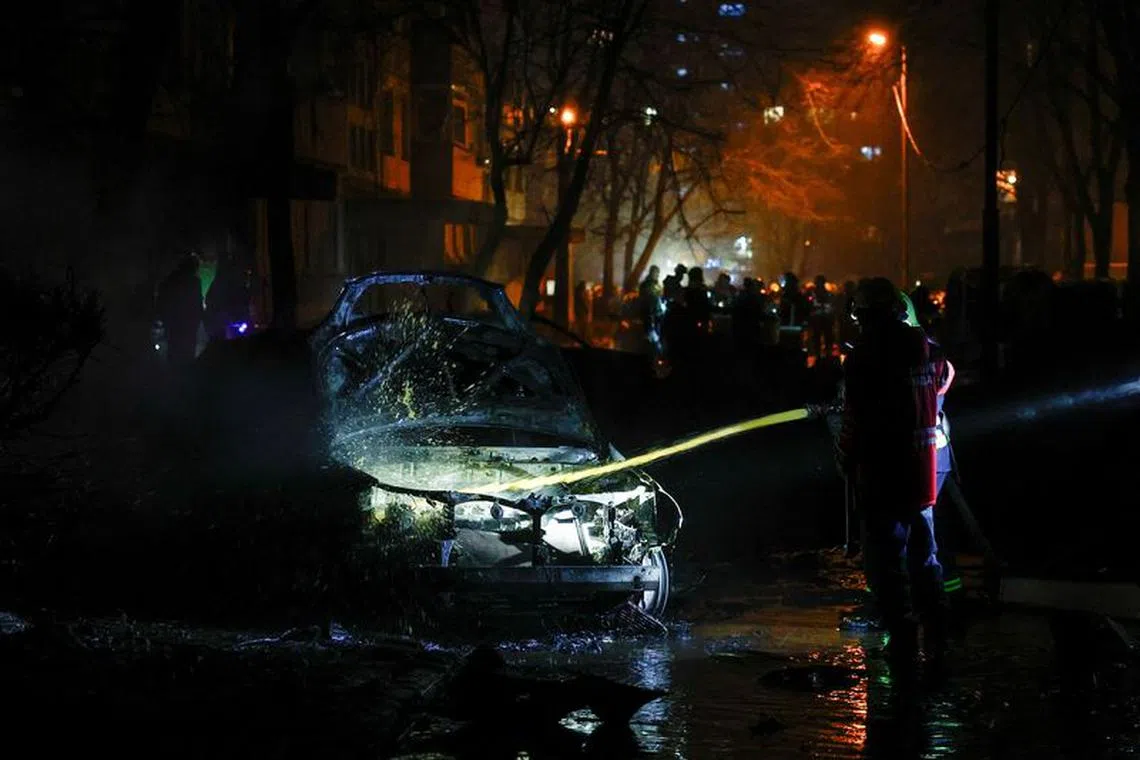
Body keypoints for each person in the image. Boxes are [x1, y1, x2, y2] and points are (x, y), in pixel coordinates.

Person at [837, 277, 948, 675]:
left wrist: (845, 451)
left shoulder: (865, 356)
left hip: (883, 472)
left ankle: (902, 641)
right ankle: (937, 635)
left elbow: (855, 420)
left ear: (865, 315)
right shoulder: (926, 348)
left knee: (884, 563)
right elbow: (943, 381)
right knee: (925, 555)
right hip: (922, 473)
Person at [638, 266, 665, 357]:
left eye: (658, 273)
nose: (657, 275)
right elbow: (646, 301)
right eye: (656, 273)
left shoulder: (657, 285)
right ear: (651, 273)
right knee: (650, 339)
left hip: (656, 315)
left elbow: (660, 298)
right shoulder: (647, 285)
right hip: (649, 315)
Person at [809, 274, 836, 359]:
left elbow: (832, 306)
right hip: (817, 319)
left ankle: (827, 355)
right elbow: (809, 306)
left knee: (827, 338)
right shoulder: (812, 294)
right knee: (817, 338)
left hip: (825, 319)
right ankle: (819, 355)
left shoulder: (828, 294)